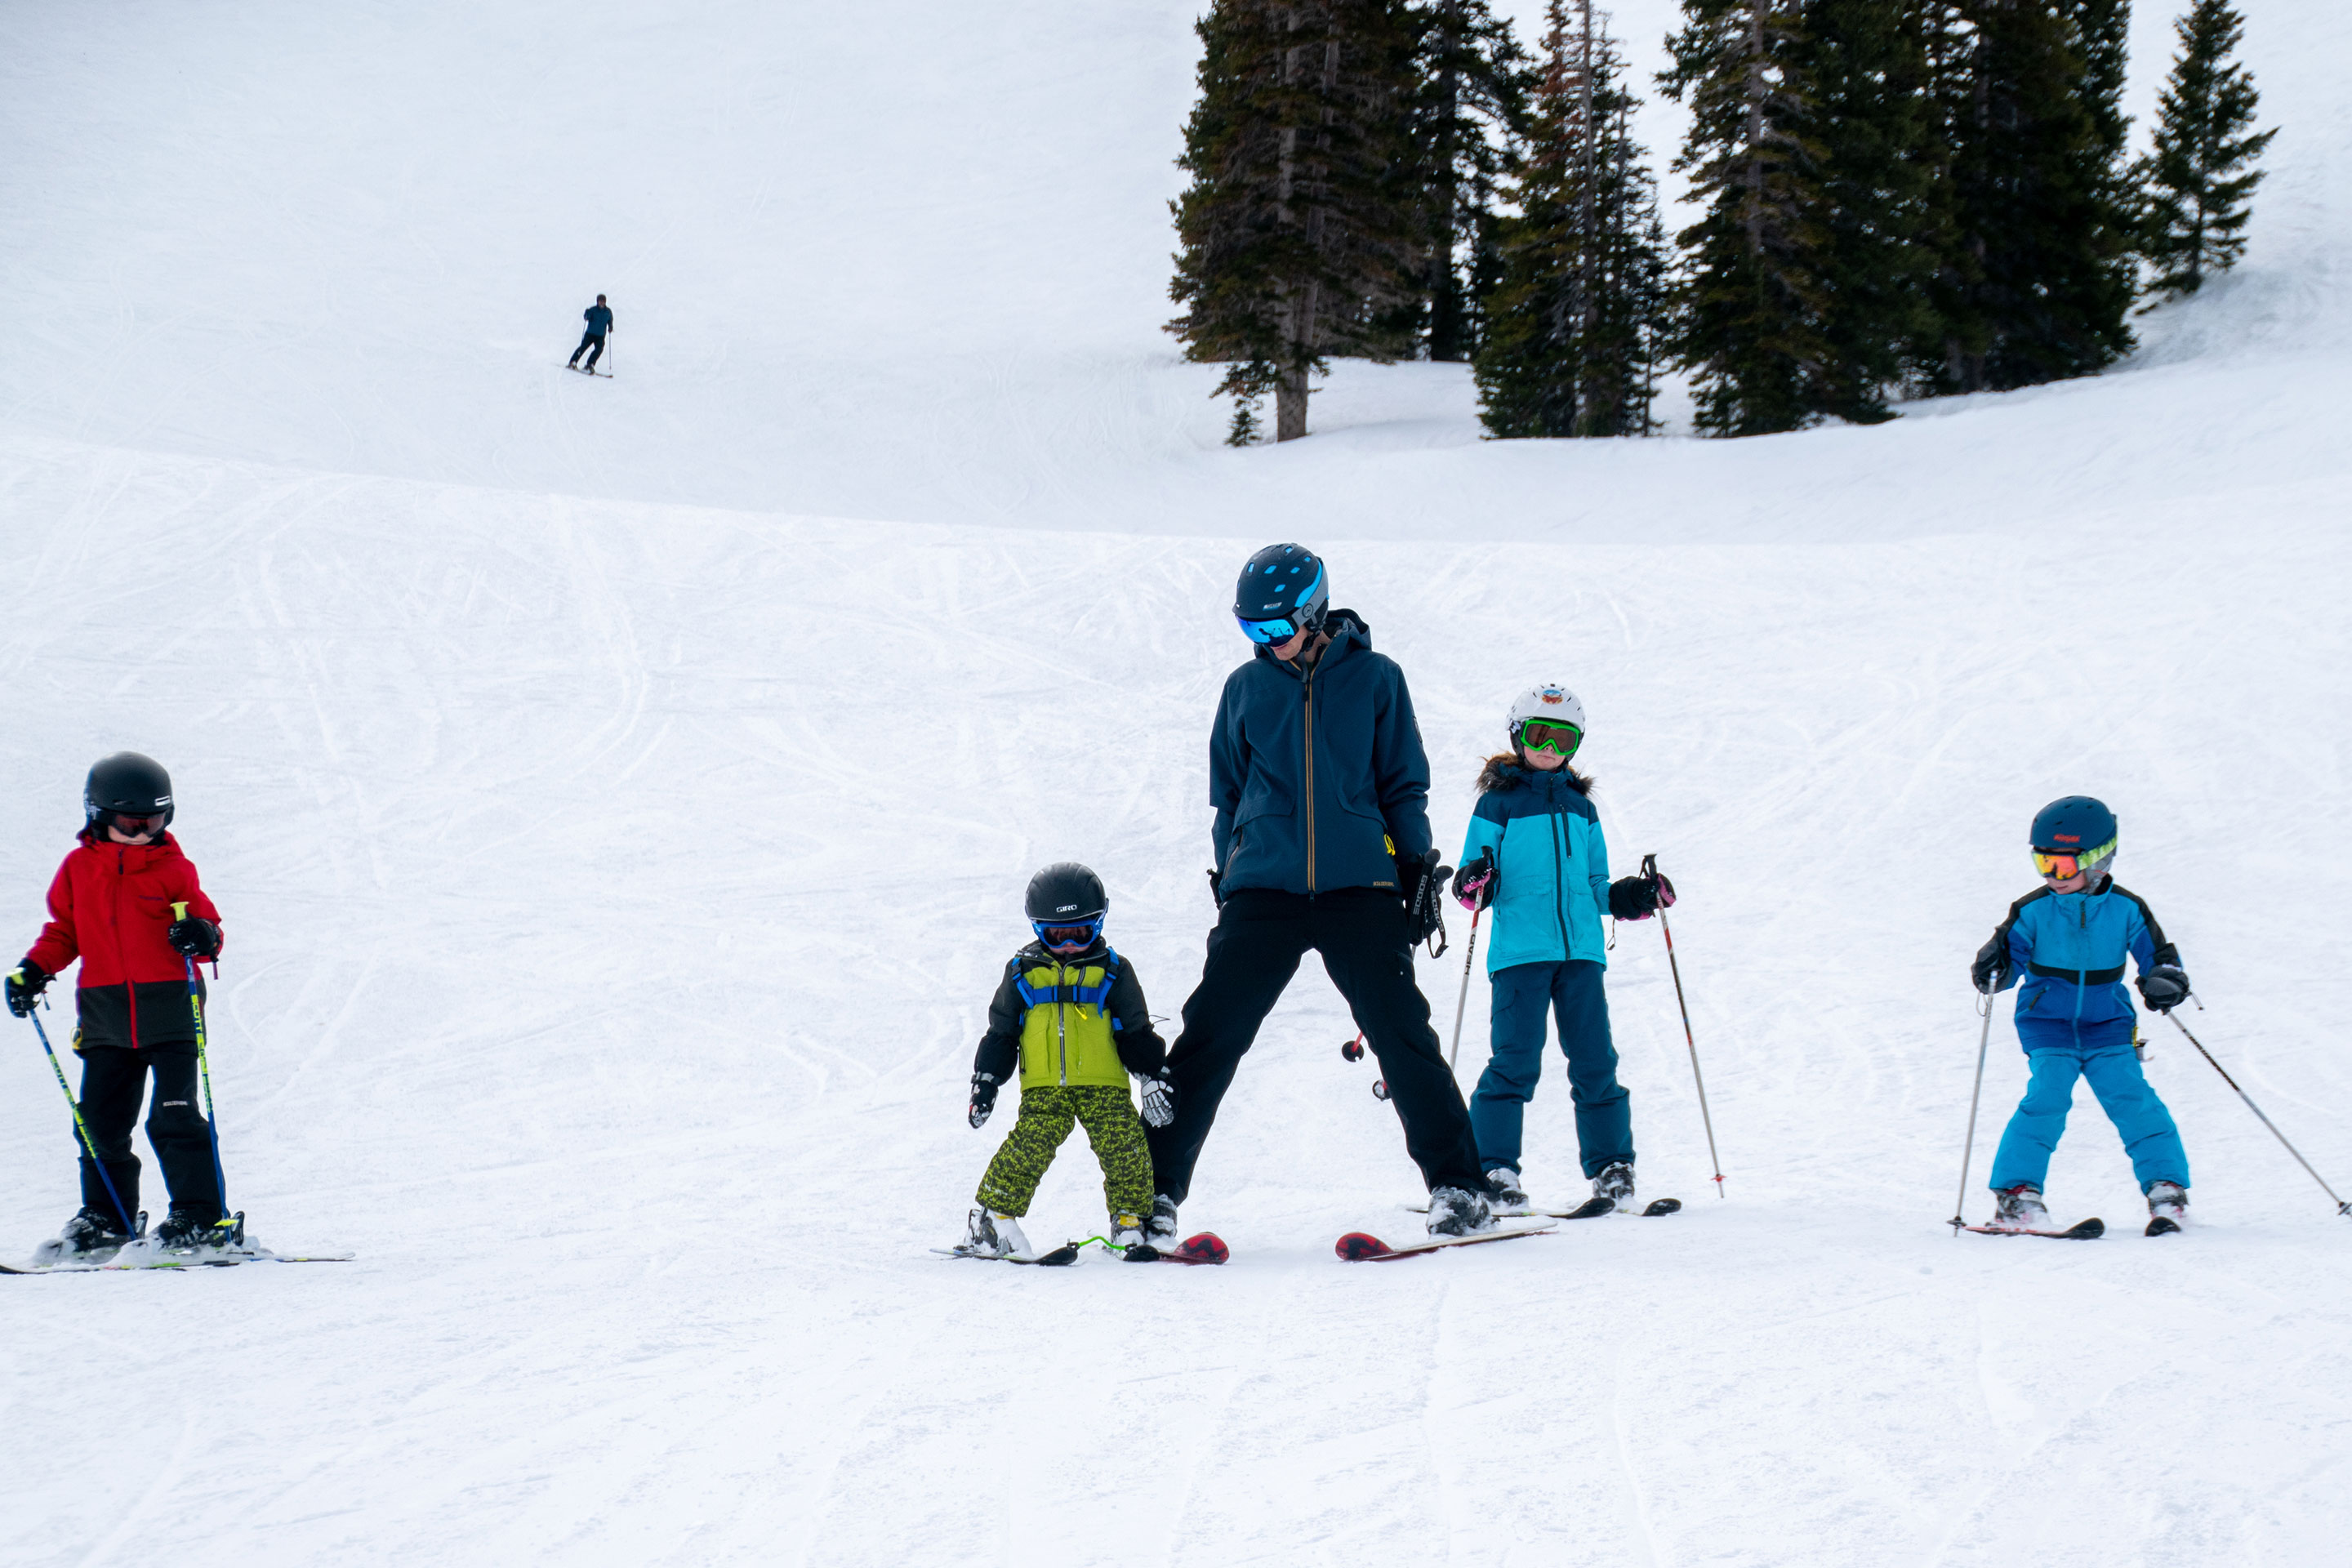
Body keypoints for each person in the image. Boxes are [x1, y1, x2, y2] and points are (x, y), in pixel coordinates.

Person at [1144, 543, 1494, 1242]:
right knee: (1210, 1035)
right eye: (1251, 631)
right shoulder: (1244, 691)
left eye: (1274, 628)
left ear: (1314, 612)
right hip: (1262, 889)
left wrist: (1416, 871)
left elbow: (1403, 785)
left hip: (1357, 887)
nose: (1264, 644)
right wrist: (1232, 871)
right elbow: (1228, 796)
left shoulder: (1376, 680)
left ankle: (1458, 1187)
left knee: (1401, 1033)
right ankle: (1148, 1194)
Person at [1450, 685, 1668, 1214]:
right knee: (1514, 1062)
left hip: (1581, 958)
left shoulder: (1581, 809)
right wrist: (1475, 883)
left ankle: (1612, 1167)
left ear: (1576, 744)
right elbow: (1471, 886)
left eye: (1562, 736)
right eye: (1538, 734)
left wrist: (1635, 897)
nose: (1549, 746)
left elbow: (1596, 890)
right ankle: (1493, 1169)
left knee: (1596, 1062)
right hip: (1520, 955)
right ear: (1517, 736)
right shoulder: (1495, 804)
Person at [5, 753, 231, 1258]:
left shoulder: (173, 868)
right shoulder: (79, 870)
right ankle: (107, 1218)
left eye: (154, 821)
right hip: (106, 1019)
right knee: (99, 1124)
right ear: (99, 815)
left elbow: (210, 929)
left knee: (174, 1119)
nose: (143, 831)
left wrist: (201, 934)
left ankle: (200, 1216)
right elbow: (64, 932)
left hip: (172, 1012)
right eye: (132, 822)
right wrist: (34, 970)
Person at [1970, 795, 2194, 1232]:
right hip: (2046, 1022)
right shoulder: (2031, 910)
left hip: (2108, 1023)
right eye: (2044, 865)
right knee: (2047, 1098)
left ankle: (2166, 1192)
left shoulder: (2128, 909)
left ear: (2099, 861)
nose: (2054, 877)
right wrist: (1993, 967)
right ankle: (2017, 1196)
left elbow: (2160, 957)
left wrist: (2165, 981)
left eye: (2064, 867)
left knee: (2133, 1099)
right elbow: (2007, 959)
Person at [959, 863, 1171, 1260]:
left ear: (1098, 923)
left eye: (1081, 933)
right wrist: (986, 1082)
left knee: (1125, 1145)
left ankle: (1131, 1220)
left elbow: (1136, 1032)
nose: (1069, 944)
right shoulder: (1022, 973)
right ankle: (991, 1219)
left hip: (1104, 1084)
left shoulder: (1113, 971)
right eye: (1056, 935)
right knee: (1029, 1147)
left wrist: (1152, 1075)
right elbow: (1001, 1033)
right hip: (1043, 1087)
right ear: (1038, 929)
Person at [568, 294, 614, 372]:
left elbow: (610, 320)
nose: (601, 303)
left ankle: (590, 364)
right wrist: (587, 314)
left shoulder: (608, 311)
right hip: (590, 334)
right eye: (600, 301)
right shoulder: (593, 310)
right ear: (597, 301)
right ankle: (573, 362)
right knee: (583, 348)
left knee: (599, 350)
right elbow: (587, 317)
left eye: (603, 301)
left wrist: (610, 327)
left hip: (600, 335)